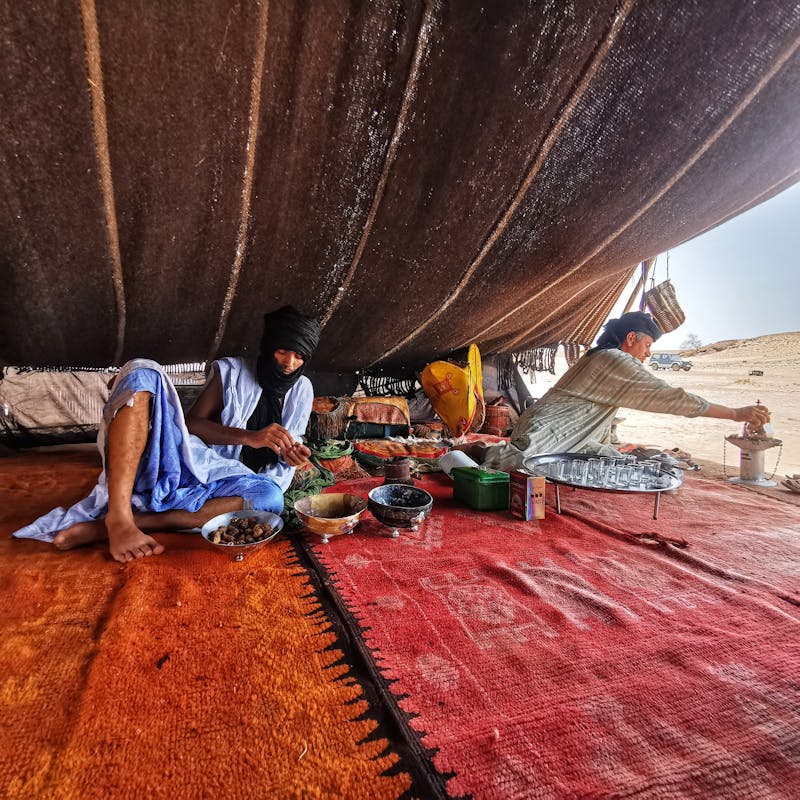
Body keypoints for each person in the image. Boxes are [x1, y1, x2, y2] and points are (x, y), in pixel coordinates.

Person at [13, 305, 321, 563]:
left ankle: (112, 526)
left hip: (236, 483)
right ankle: (119, 515)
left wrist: (291, 456)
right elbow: (194, 424)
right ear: (268, 347)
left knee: (270, 499)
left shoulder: (303, 389)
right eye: (282, 351)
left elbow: (286, 450)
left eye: (299, 357)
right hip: (200, 463)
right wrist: (249, 437)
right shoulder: (233, 372)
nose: (289, 363)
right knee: (142, 371)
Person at [460, 311, 770, 473]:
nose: (648, 354)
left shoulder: (606, 356)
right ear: (632, 338)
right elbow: (669, 397)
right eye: (647, 345)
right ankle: (474, 452)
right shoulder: (613, 359)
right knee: (518, 464)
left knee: (606, 463)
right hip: (549, 431)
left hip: (564, 432)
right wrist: (734, 414)